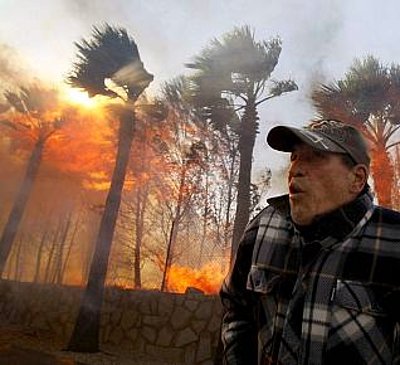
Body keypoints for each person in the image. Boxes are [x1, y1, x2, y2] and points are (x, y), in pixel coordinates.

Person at [220, 119, 400, 365]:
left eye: (316, 157)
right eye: (294, 157)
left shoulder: (393, 239)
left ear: (357, 179)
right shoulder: (264, 228)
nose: (296, 169)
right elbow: (237, 309)